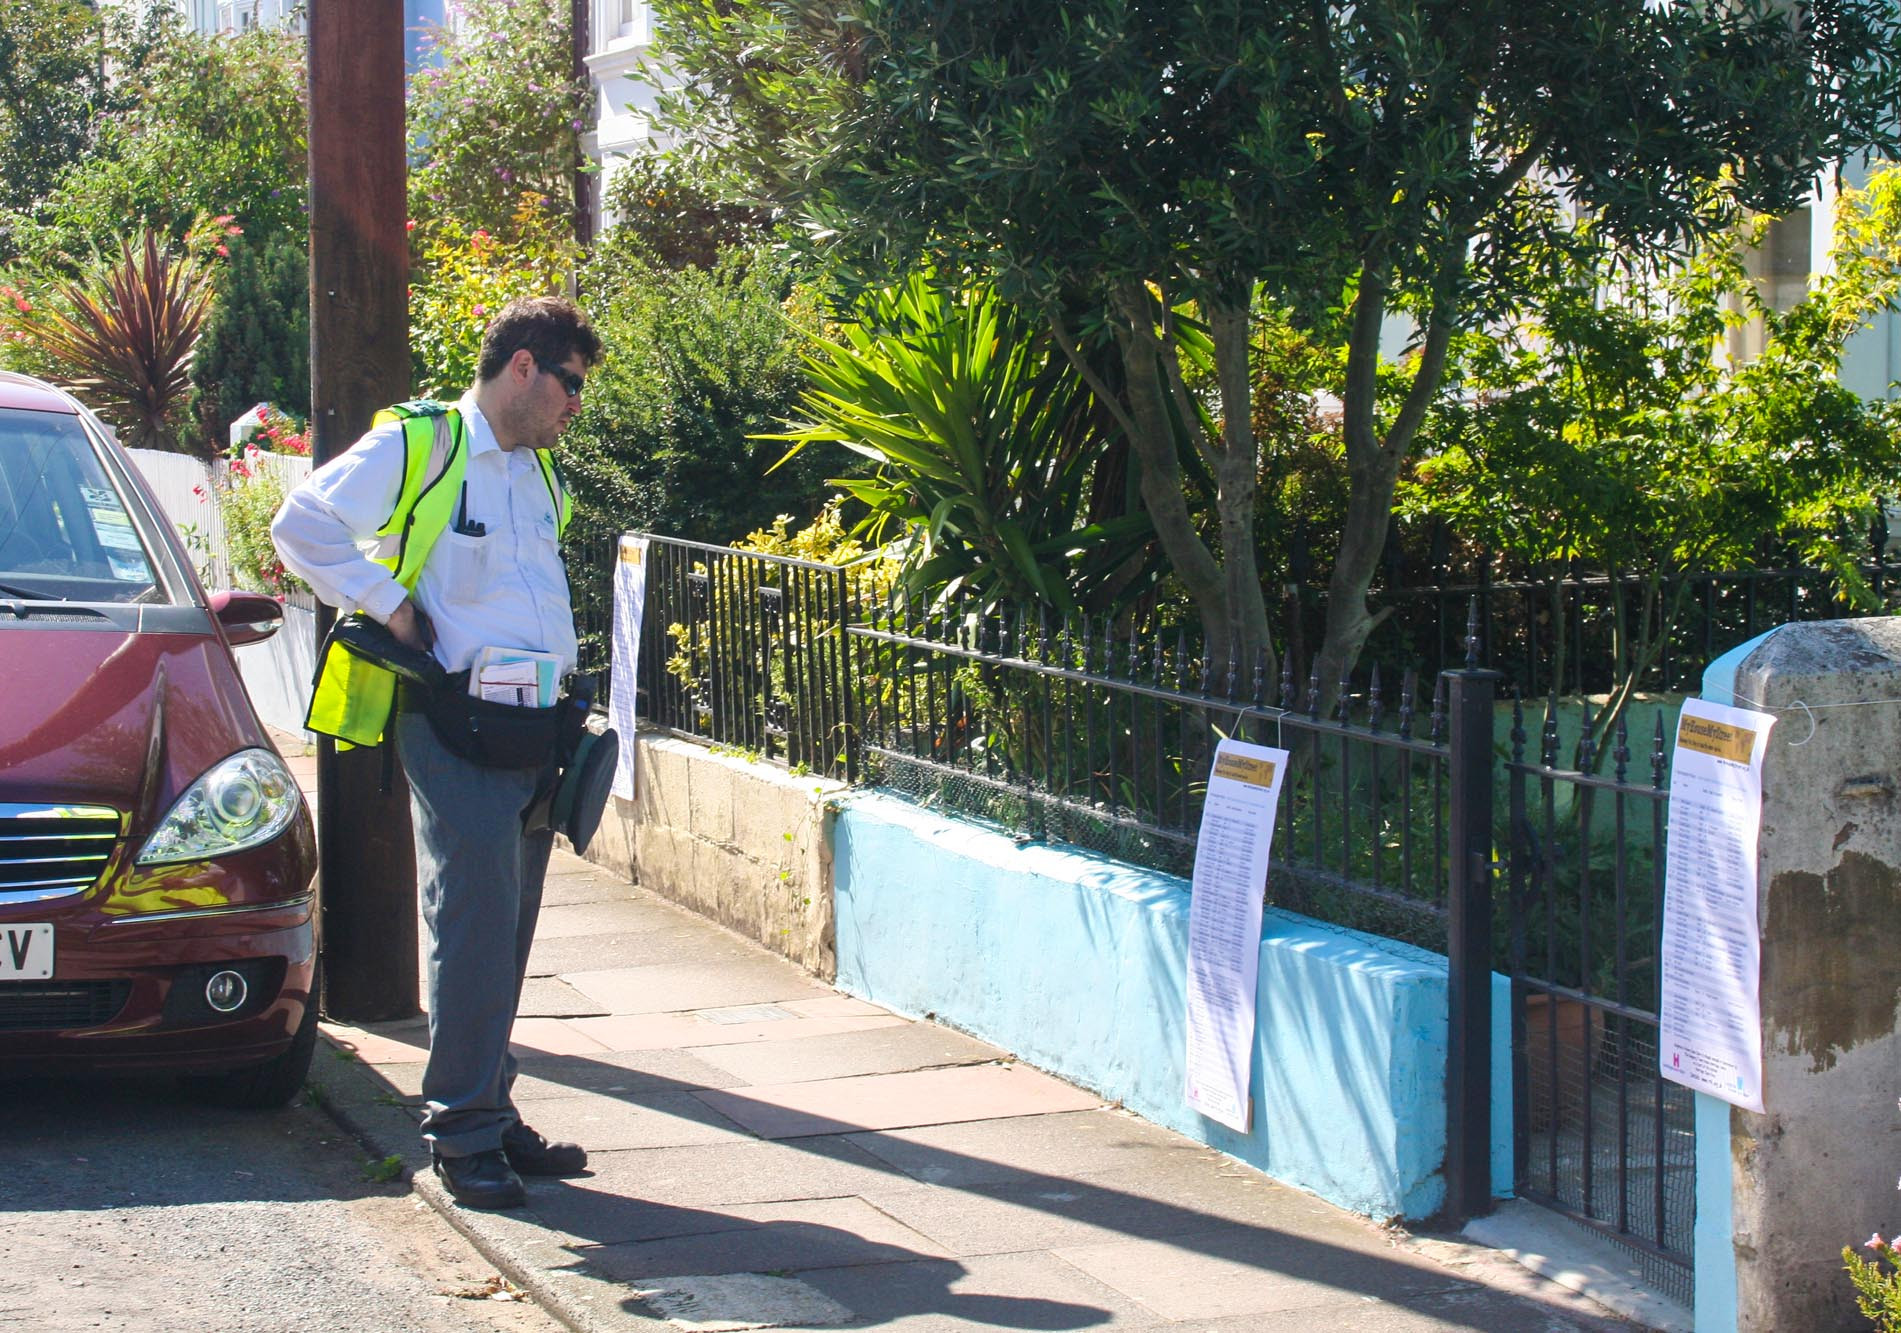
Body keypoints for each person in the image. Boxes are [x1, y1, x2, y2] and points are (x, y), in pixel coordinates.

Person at [272, 295, 602, 1210]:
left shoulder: (537, 473)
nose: (578, 404)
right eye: (571, 383)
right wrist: (393, 606)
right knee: (473, 922)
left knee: (510, 922)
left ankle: (490, 1111)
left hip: (536, 726)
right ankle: (460, 1134)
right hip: (455, 720)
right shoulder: (424, 445)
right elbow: (302, 525)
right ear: (524, 367)